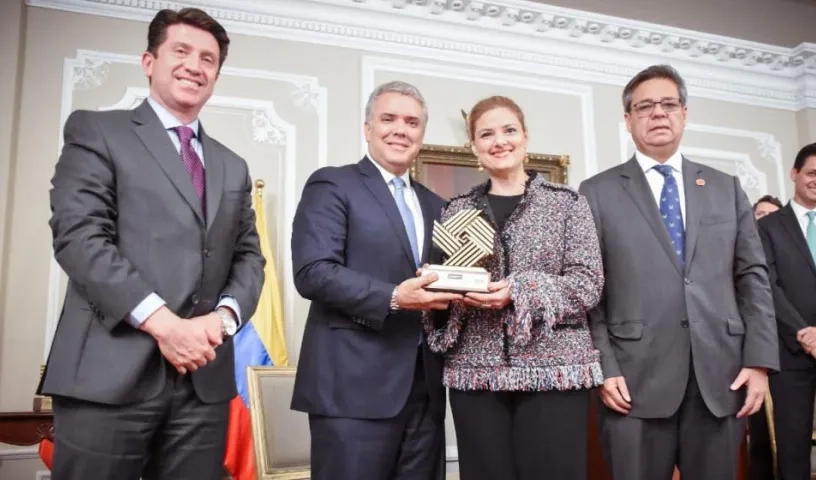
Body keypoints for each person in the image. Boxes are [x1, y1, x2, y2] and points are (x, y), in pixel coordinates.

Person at [39, 8, 265, 480]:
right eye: (180, 51)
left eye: (208, 58)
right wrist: (165, 326)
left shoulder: (233, 165)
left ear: (216, 75)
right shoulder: (97, 131)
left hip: (203, 384)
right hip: (108, 375)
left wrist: (221, 324)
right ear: (149, 61)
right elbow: (79, 237)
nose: (194, 65)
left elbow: (249, 258)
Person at [578, 64, 779, 480]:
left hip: (721, 377)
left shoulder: (726, 187)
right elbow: (589, 292)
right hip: (632, 382)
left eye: (668, 104)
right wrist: (605, 366)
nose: (658, 113)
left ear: (684, 113)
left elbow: (753, 277)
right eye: (645, 106)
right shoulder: (597, 192)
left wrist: (759, 361)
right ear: (628, 119)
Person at [423, 95, 604, 480]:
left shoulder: (569, 205)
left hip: (555, 370)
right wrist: (444, 291)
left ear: (525, 137)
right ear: (473, 145)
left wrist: (518, 290)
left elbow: (587, 284)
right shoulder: (456, 210)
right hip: (476, 372)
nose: (499, 141)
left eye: (509, 130)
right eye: (486, 134)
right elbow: (443, 303)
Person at [290, 80, 462, 480]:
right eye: (389, 119)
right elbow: (312, 272)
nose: (401, 129)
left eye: (412, 122)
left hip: (426, 392)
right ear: (368, 129)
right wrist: (394, 297)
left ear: (421, 133)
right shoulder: (333, 183)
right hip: (352, 390)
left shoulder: (438, 205)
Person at [757, 142, 816, 480]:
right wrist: (808, 337)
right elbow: (766, 286)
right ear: (794, 173)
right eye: (813, 173)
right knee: (792, 446)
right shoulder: (767, 227)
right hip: (788, 349)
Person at [748, 193, 784, 480]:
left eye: (773, 215)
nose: (767, 221)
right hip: (753, 356)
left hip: (790, 355)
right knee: (759, 435)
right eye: (761, 215)